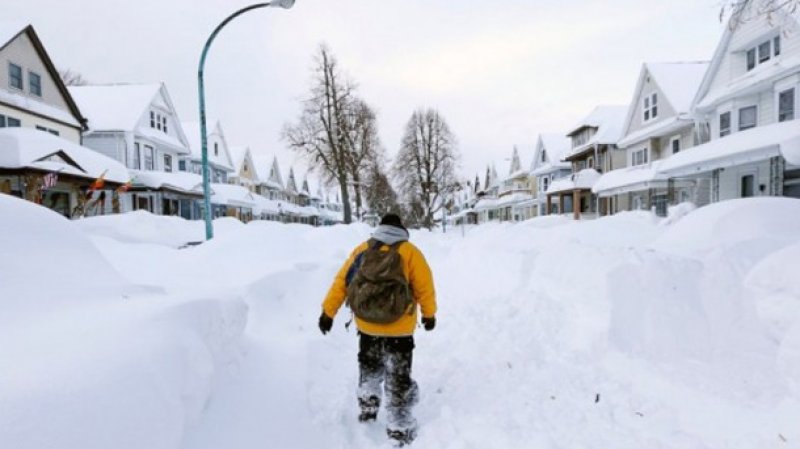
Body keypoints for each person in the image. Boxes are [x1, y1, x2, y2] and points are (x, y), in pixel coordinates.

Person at [319, 213, 437, 446]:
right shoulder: (410, 252)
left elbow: (342, 281)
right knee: (398, 376)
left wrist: (328, 312)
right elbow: (425, 286)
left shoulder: (363, 249)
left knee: (370, 365)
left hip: (368, 325)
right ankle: (399, 427)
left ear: (380, 228)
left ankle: (369, 402)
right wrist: (429, 314)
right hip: (400, 328)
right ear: (401, 228)